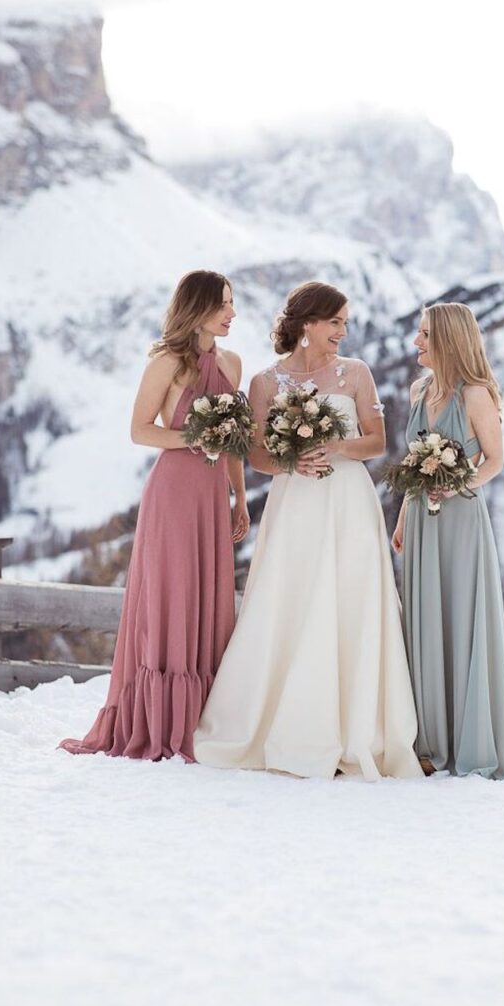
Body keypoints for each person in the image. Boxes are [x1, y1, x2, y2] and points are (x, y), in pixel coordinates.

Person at [194, 281, 422, 781]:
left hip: (348, 502)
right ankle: (279, 722)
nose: (343, 331)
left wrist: (337, 447)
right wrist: (292, 461)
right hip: (294, 502)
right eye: (336, 321)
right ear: (307, 324)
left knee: (350, 598)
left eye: (344, 322)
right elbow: (254, 456)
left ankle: (354, 728)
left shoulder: (356, 373)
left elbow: (377, 441)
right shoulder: (264, 382)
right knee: (289, 597)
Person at [59, 270, 249, 762]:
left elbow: (234, 447)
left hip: (211, 497)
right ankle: (159, 719)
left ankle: (204, 715)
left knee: (209, 598)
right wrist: (195, 438)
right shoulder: (167, 361)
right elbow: (140, 431)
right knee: (171, 593)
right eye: (223, 305)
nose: (232, 313)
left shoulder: (232, 362)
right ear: (198, 307)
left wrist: (241, 498)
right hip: (172, 493)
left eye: (232, 304)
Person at [392, 302, 504, 779]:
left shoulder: (475, 395)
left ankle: (467, 740)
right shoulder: (418, 390)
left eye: (425, 335)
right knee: (423, 621)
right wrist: (402, 517)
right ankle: (428, 741)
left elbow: (493, 461)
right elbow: (413, 462)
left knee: (460, 619)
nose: (417, 343)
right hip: (421, 523)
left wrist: (457, 485)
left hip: (462, 523)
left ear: (449, 340)